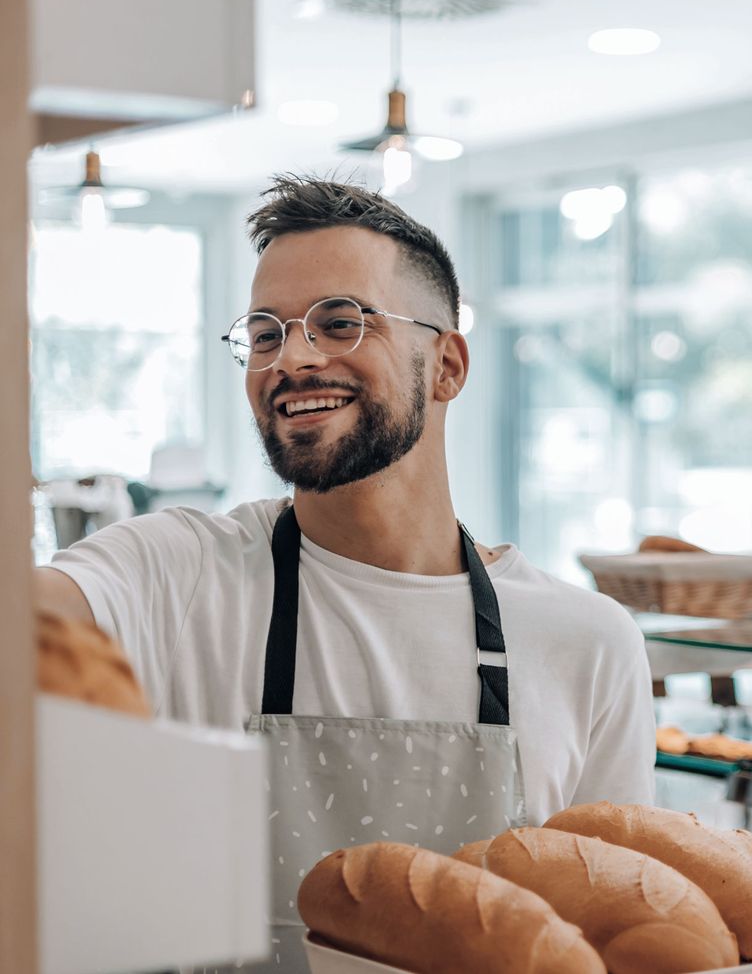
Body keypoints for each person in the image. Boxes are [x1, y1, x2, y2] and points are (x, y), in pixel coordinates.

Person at [34, 175, 654, 971]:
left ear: (448, 367)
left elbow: (614, 934)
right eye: (265, 334)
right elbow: (34, 617)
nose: (292, 358)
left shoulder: (587, 645)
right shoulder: (179, 572)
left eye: (340, 321)